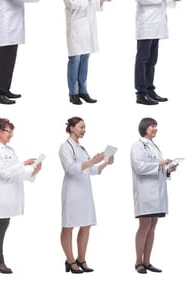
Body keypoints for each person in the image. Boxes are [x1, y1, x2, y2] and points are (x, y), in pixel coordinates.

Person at [0, 118, 42, 274]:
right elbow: (3, 172)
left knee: (3, 227)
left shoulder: (10, 150)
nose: (11, 134)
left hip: (12, 193)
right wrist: (24, 164)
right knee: (0, 228)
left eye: (12, 131)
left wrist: (33, 171)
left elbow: (18, 172)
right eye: (7, 131)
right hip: (2, 194)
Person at [59, 117, 114, 273]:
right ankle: (70, 260)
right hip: (72, 192)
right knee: (68, 226)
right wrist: (92, 161)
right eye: (81, 127)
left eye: (84, 127)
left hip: (85, 191)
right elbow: (70, 168)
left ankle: (81, 259)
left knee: (86, 225)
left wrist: (104, 163)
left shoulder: (81, 148)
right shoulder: (65, 147)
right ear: (71, 128)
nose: (84, 130)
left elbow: (92, 171)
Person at [131, 0, 183, 106]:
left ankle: (149, 90)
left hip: (155, 24)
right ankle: (141, 93)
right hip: (146, 24)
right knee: (143, 59)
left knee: (152, 60)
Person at [62, 0, 114, 105]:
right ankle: (73, 93)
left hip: (88, 26)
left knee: (85, 59)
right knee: (75, 60)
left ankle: (83, 90)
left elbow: (92, 2)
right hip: (77, 26)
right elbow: (72, 2)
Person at [131, 117, 178, 274]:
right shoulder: (137, 146)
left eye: (156, 126)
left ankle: (147, 262)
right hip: (145, 193)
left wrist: (167, 169)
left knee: (153, 227)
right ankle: (138, 262)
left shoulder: (154, 147)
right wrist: (160, 164)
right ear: (144, 127)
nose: (155, 128)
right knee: (144, 226)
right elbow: (139, 167)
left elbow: (157, 168)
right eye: (152, 126)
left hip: (157, 194)